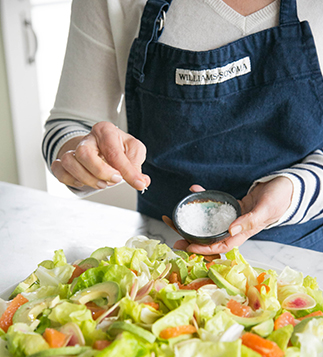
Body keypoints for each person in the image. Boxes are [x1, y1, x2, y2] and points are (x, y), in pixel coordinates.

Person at [42, 0, 323, 254]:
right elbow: (69, 123)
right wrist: (83, 157)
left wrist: (291, 191)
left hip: (303, 257)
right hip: (163, 258)